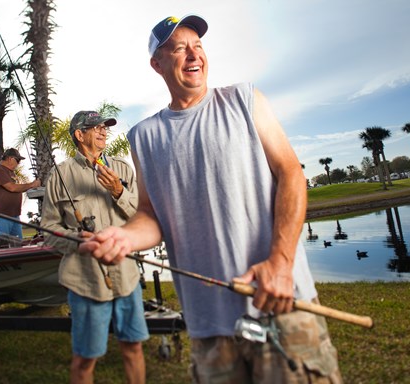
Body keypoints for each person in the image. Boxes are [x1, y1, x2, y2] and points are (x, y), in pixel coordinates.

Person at [80, 15, 343, 383]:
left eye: (198, 46)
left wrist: (281, 263)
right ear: (157, 64)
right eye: (178, 48)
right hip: (208, 323)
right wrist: (125, 237)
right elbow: (150, 216)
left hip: (279, 300)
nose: (193, 55)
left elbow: (292, 174)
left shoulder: (245, 99)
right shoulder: (144, 137)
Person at [40, 111, 148, 384]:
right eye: (95, 127)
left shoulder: (123, 169)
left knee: (133, 348)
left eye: (105, 127)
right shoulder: (60, 174)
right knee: (85, 359)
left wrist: (118, 192)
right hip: (85, 281)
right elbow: (49, 231)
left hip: (127, 276)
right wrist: (78, 241)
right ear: (79, 134)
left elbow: (141, 217)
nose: (103, 131)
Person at [0, 148, 41, 240]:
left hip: (14, 216)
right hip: (1, 216)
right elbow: (12, 187)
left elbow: (17, 188)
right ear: (10, 158)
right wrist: (31, 184)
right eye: (18, 160)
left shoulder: (11, 173)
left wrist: (31, 187)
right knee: (2, 247)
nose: (18, 163)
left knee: (17, 246)